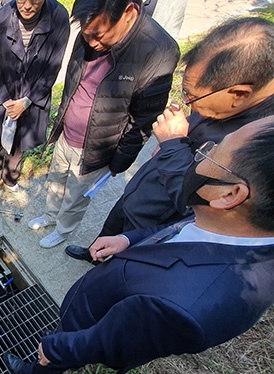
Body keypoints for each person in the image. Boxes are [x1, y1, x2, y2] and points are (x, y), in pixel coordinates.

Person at [5, 116, 274, 374]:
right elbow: (179, 230)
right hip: (102, 296)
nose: (200, 155)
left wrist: (55, 347)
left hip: (89, 323)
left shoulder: (184, 308)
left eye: (213, 152)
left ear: (231, 195)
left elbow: (107, 341)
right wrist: (127, 239)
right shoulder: (236, 230)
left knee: (56, 353)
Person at [65, 17, 274, 263]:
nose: (187, 102)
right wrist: (171, 146)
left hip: (154, 221)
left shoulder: (256, 144)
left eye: (192, 96)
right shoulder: (222, 106)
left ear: (238, 94)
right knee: (111, 229)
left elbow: (196, 202)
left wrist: (172, 145)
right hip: (141, 193)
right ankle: (93, 255)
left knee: (124, 258)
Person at [27, 0, 179, 248]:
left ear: (128, 13)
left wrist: (120, 160)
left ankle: (64, 229)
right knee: (56, 180)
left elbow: (143, 120)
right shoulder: (90, 32)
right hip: (68, 133)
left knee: (76, 195)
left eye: (98, 36)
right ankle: (51, 215)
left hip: (97, 147)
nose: (92, 43)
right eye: (86, 35)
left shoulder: (158, 51)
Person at [0, 0, 70, 196]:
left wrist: (27, 101)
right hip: (2, 92)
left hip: (33, 95)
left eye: (35, 0)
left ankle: (11, 178)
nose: (27, 6)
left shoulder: (59, 18)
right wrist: (7, 101)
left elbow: (52, 68)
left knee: (20, 141)